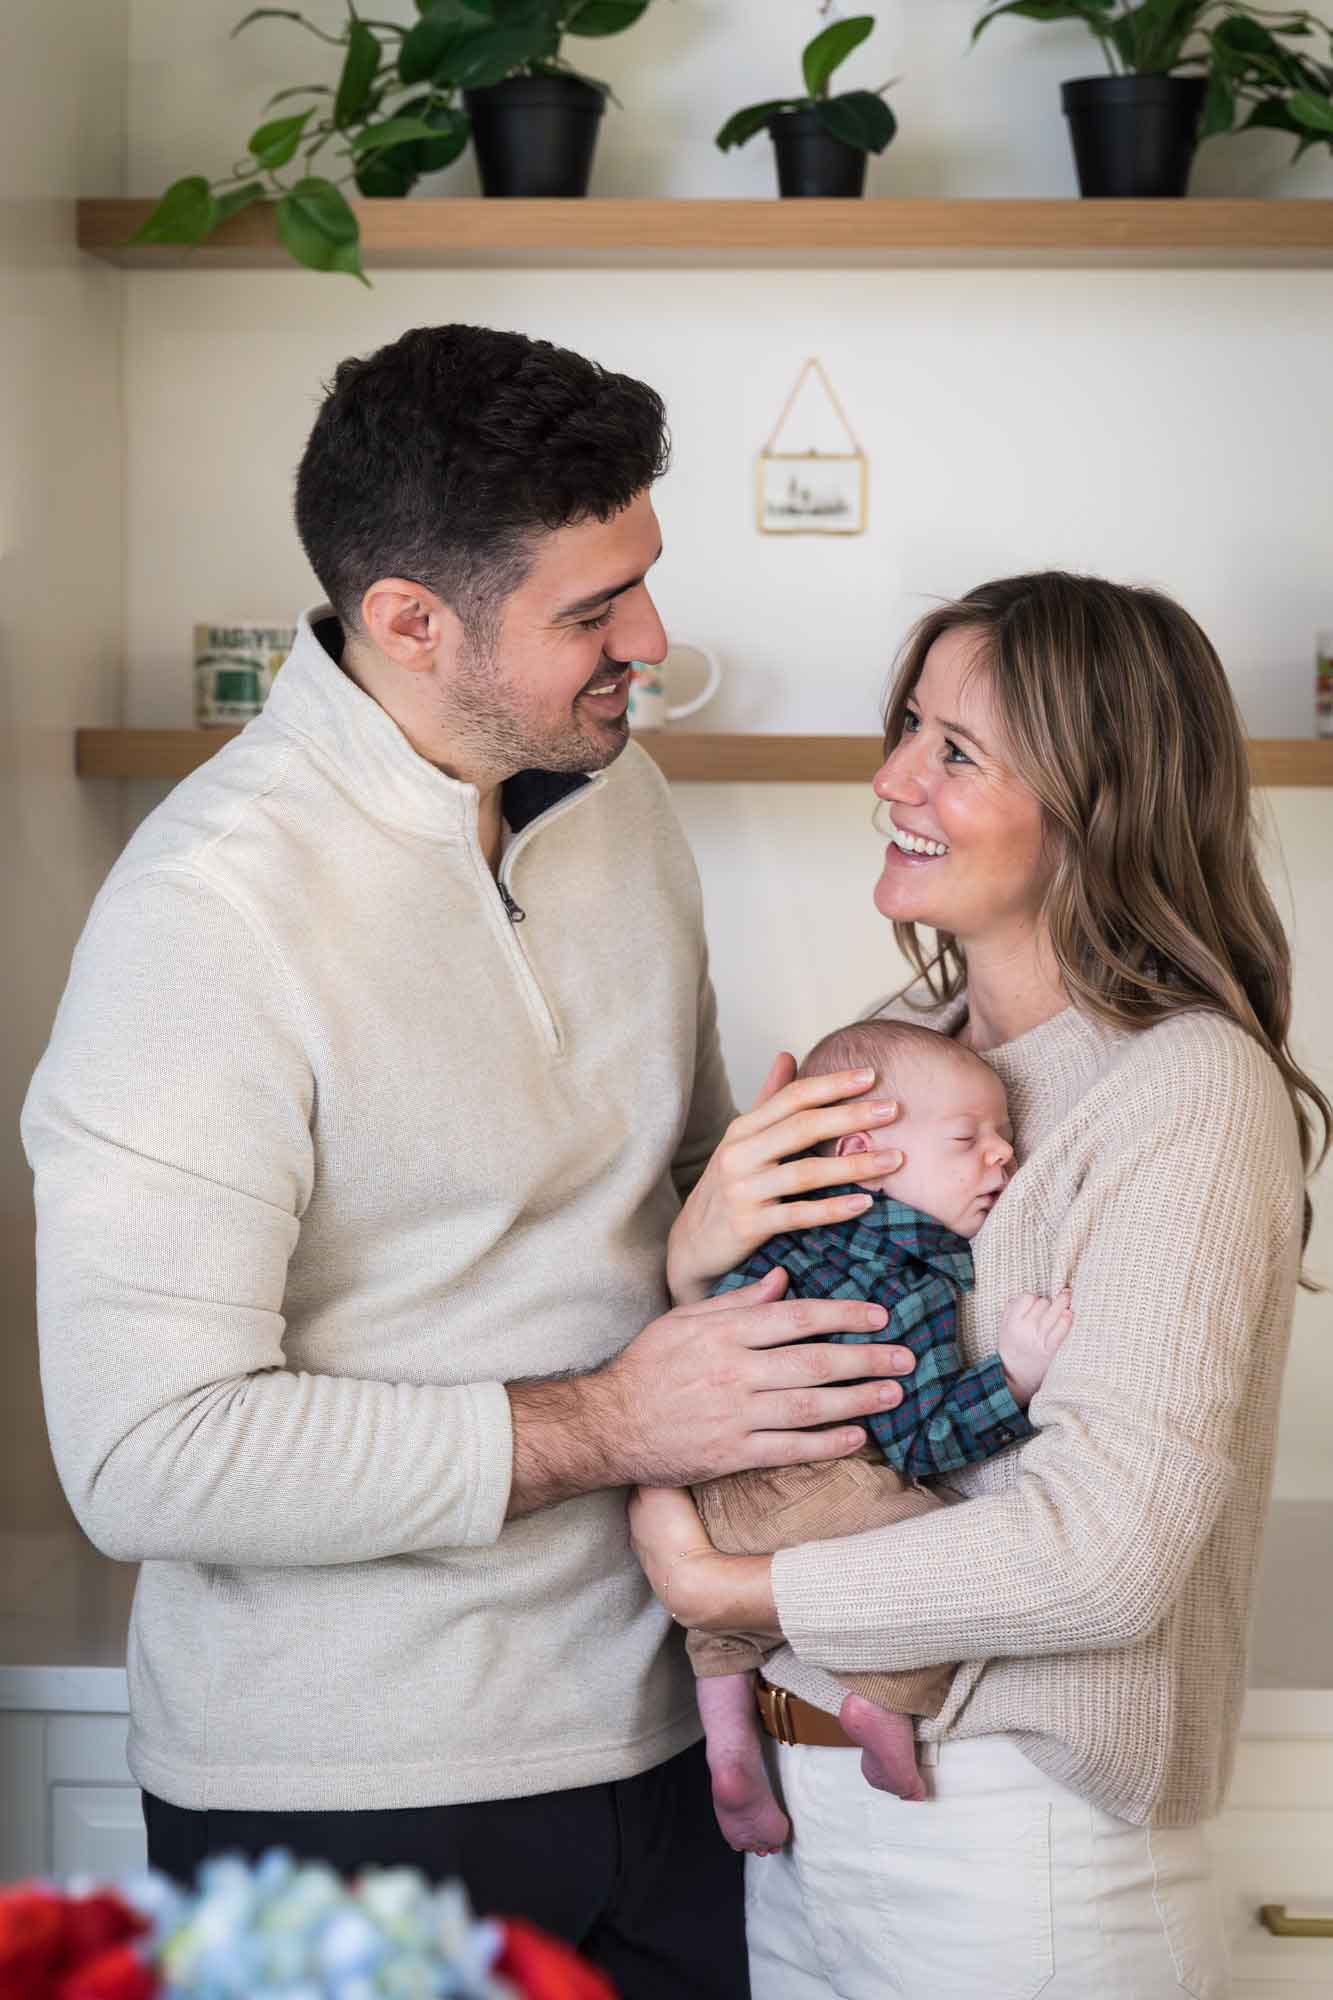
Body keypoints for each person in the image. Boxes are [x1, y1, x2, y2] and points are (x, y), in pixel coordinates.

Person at [21, 324, 926, 1998]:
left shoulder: (617, 795)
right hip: (348, 1811)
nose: (649, 640)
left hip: (671, 1742)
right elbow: (146, 1455)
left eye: (643, 579)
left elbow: (668, 1203)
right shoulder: (203, 922)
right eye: (592, 611)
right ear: (408, 623)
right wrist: (610, 1420)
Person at [631, 570, 1330, 2000]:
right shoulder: (899, 1045)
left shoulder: (1186, 1091)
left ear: (1101, 801)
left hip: (1018, 1845)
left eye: (955, 751)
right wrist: (697, 1245)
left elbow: (1103, 1552)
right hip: (805, 1807)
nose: (890, 776)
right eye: (906, 728)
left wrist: (734, 1582)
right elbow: (754, 1362)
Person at [687, 1015, 1073, 1856]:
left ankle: (725, 1749)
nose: (1002, 1155)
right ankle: (883, 1701)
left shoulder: (776, 1228)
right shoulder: (905, 1273)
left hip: (706, 1483)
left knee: (721, 1623)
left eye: (1005, 1135)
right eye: (968, 1138)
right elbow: (921, 1441)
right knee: (937, 1559)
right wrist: (1012, 1375)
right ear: (861, 1151)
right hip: (811, 1483)